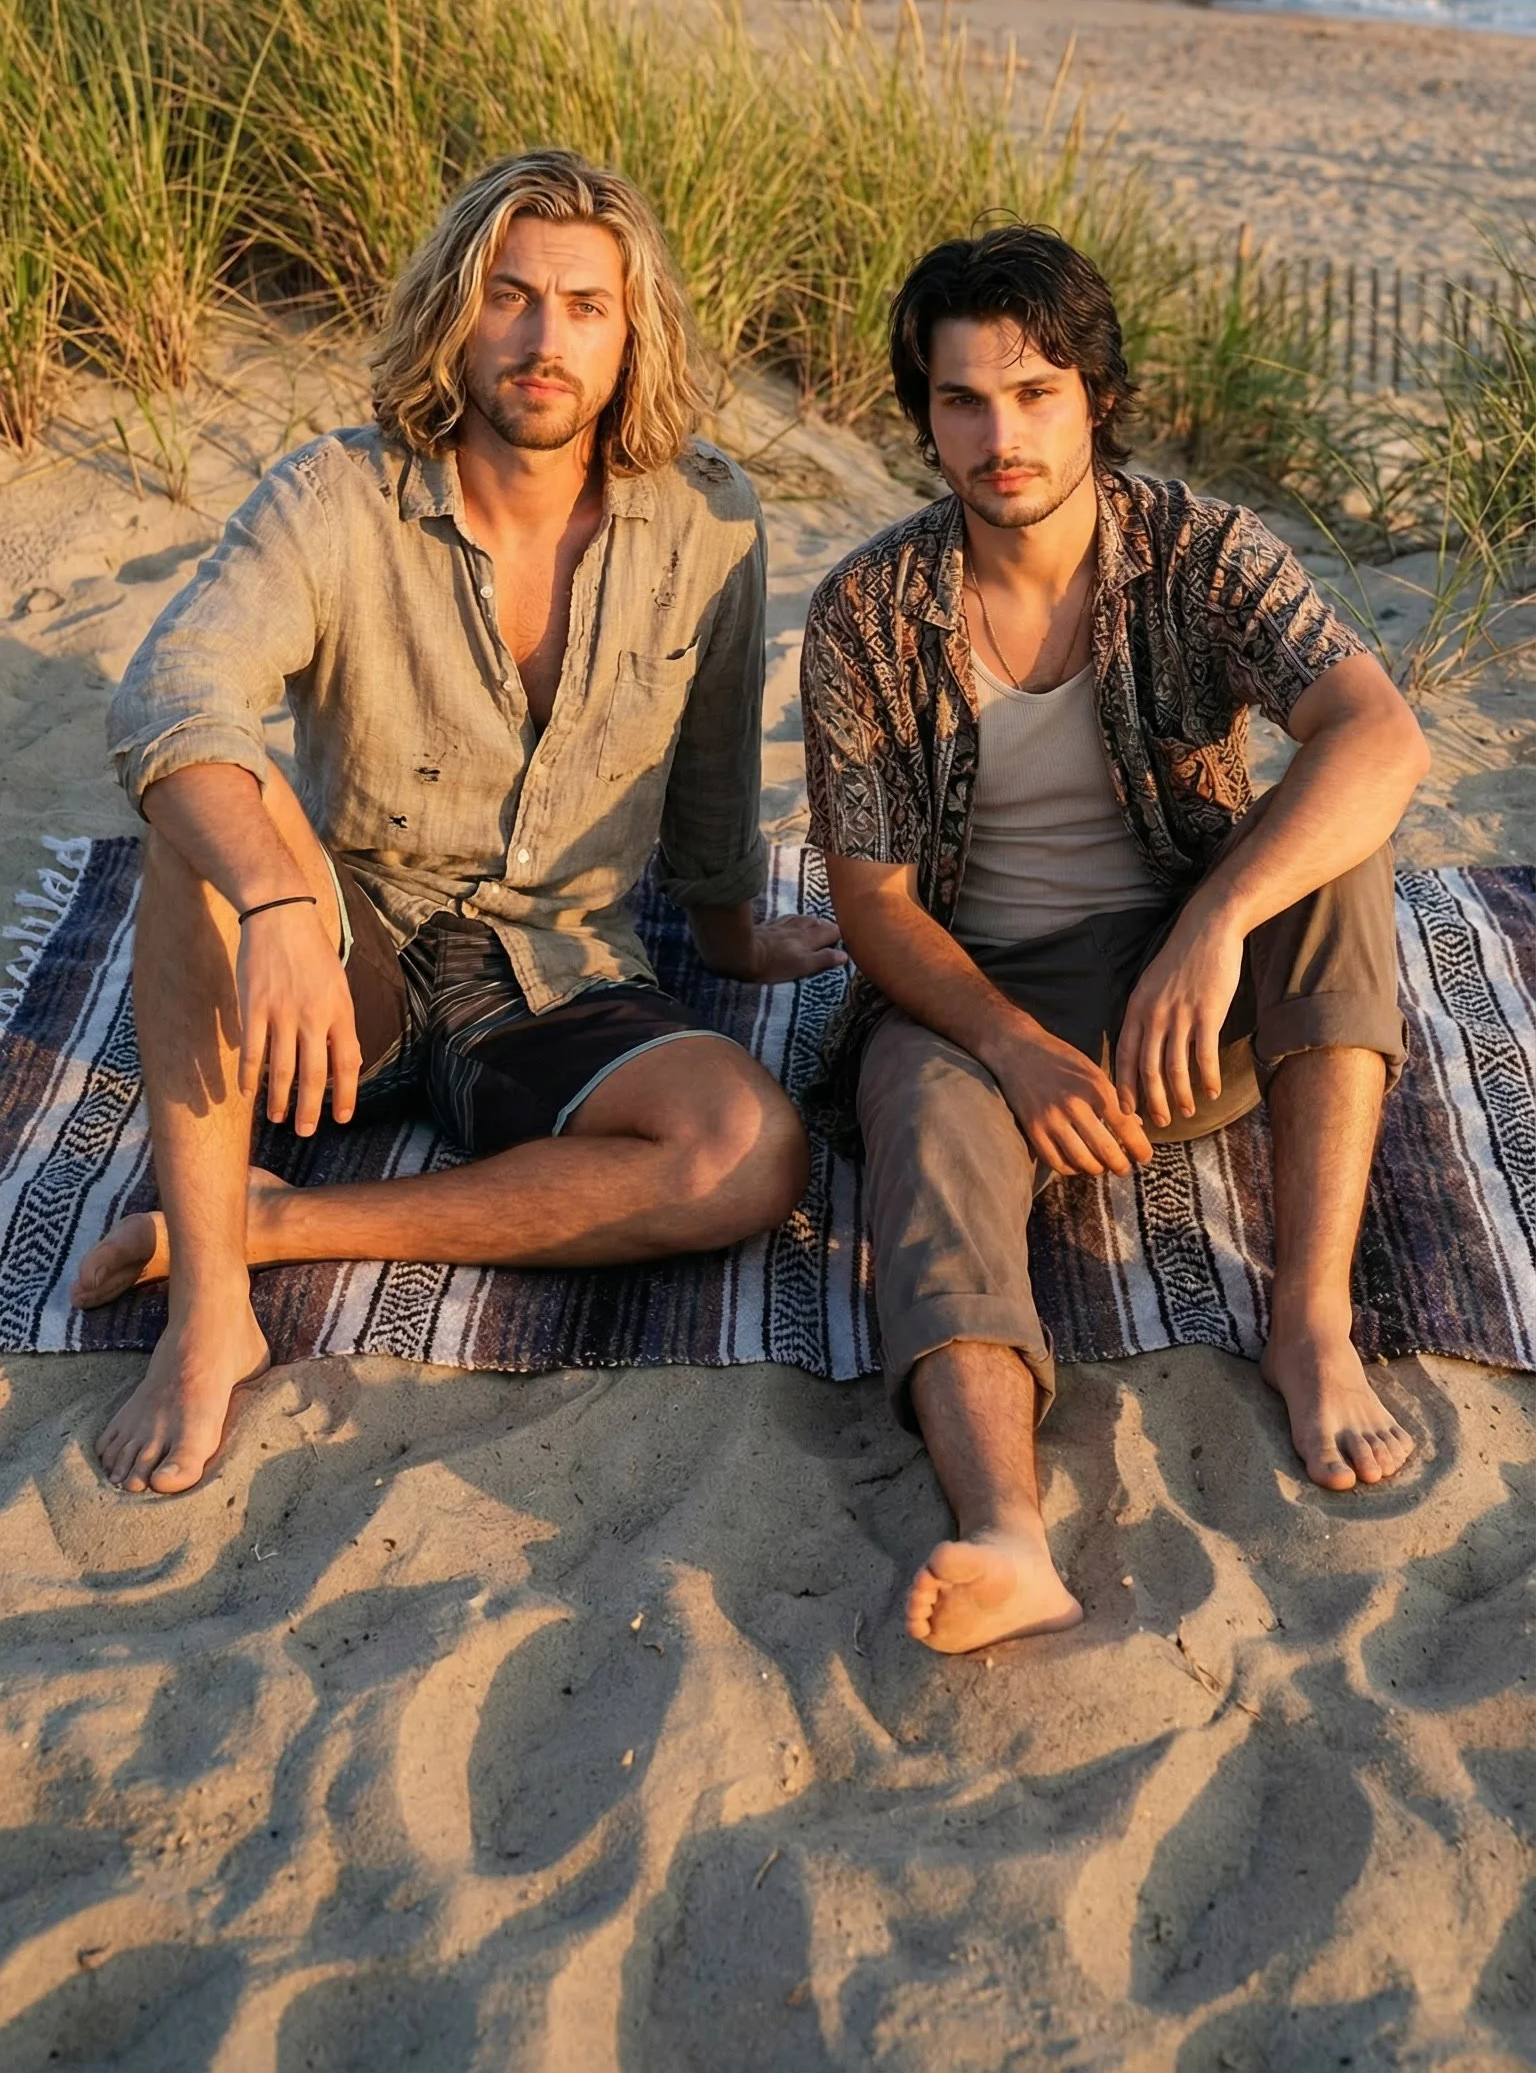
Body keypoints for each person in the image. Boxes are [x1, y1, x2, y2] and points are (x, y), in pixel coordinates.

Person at [79, 149, 841, 1495]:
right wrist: (276, 903)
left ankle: (274, 1229)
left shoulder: (710, 517)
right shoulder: (339, 494)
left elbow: (718, 767)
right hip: (347, 952)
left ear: (630, 334)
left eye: (587, 307)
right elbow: (169, 695)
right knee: (199, 841)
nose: (546, 341)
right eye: (511, 295)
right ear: (456, 310)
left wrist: (729, 931)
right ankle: (209, 1312)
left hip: (558, 972)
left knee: (750, 1153)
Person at [800, 225, 1429, 1657]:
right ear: (926, 418)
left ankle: (1310, 1322)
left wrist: (1214, 925)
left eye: (1033, 392)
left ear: (1095, 394)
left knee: (1334, 848)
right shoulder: (866, 611)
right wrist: (1011, 1048)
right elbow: (873, 908)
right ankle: (1009, 1531)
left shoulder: (1202, 553)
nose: (1000, 435)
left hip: (1190, 997)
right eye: (962, 400)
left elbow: (1380, 731)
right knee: (915, 1111)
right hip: (986, 1004)